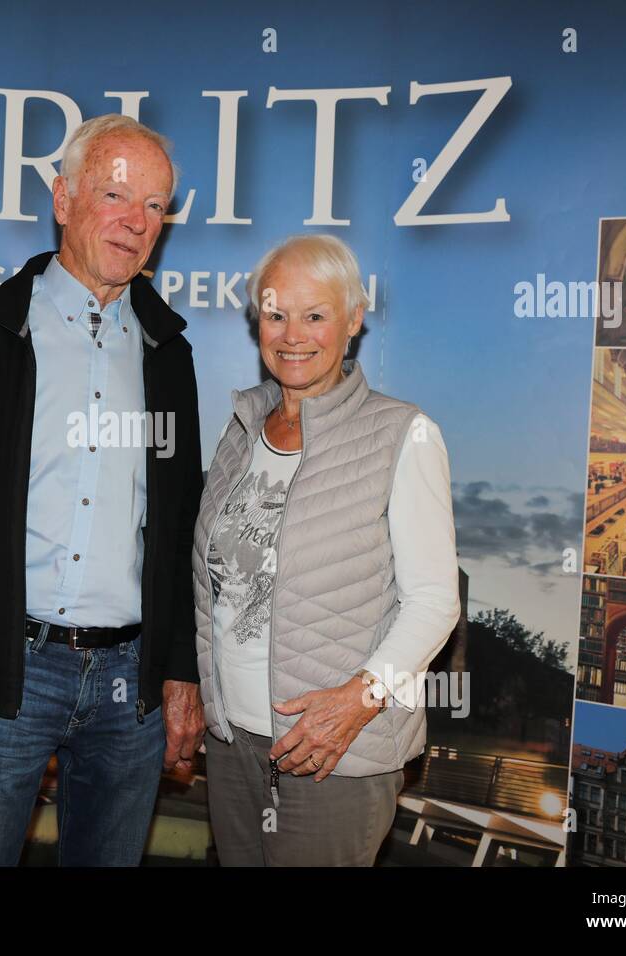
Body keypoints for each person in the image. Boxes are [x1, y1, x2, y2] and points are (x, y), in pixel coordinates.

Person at [0, 115, 205, 866]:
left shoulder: (169, 354)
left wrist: (181, 670)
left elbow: (181, 532)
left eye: (156, 206)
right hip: (4, 681)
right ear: (63, 199)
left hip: (130, 695)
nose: (136, 222)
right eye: (116, 195)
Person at [192, 234, 460, 866]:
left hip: (334, 752)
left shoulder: (403, 433)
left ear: (354, 321)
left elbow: (434, 602)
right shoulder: (240, 431)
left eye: (315, 315)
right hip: (233, 745)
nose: (292, 334)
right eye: (277, 313)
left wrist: (357, 703)